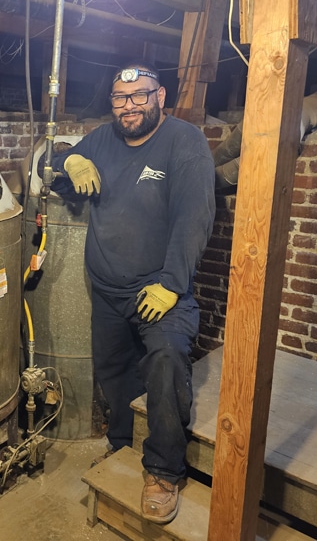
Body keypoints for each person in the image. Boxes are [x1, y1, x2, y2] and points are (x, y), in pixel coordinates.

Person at [51, 61, 215, 523]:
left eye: (140, 96)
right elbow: (52, 168)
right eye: (120, 98)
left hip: (159, 289)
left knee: (164, 366)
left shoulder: (185, 142)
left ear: (160, 97)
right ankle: (122, 444)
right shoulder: (102, 139)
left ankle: (164, 470)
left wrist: (171, 283)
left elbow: (195, 217)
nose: (129, 106)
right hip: (106, 287)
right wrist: (70, 158)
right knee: (115, 370)